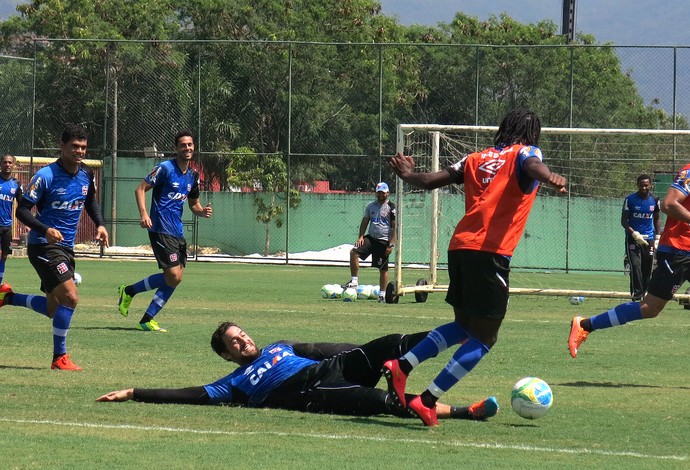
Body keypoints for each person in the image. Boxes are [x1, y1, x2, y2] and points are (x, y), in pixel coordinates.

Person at [383, 108, 567, 426]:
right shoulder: (526, 152)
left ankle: (403, 365)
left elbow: (429, 181)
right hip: (489, 253)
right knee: (485, 338)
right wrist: (549, 176)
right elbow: (533, 165)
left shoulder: (474, 158)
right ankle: (427, 400)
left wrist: (408, 175)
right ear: (531, 133)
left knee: (465, 327)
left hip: (460, 248)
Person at [97, 322, 499, 421]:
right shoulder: (232, 384)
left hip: (333, 367)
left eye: (241, 335)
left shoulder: (277, 346)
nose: (242, 342)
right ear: (226, 356)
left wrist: (362, 355)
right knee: (383, 402)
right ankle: (467, 411)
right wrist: (135, 392)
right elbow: (188, 394)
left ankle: (456, 337)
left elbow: (321, 349)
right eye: (233, 344)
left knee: (390, 342)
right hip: (316, 392)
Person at [0, 125, 109, 370]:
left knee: (53, 309)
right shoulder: (46, 176)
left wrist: (100, 225)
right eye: (74, 147)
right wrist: (45, 230)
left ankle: (8, 297)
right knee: (71, 297)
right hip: (43, 247)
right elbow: (24, 210)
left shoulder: (85, 175)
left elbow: (90, 201)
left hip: (65, 248)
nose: (79, 151)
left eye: (83, 147)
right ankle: (59, 357)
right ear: (62, 147)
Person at [569, 163, 690, 358]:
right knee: (649, 308)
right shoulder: (689, 172)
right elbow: (669, 204)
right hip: (679, 251)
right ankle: (585, 325)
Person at [117, 130, 212, 332]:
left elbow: (194, 204)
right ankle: (130, 293)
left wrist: (202, 211)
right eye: (183, 145)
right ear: (176, 148)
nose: (187, 148)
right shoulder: (165, 169)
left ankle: (144, 314)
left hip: (177, 231)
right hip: (160, 228)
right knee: (174, 277)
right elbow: (140, 188)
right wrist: (144, 214)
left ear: (194, 147)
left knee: (175, 278)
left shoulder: (193, 175)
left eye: (190, 145)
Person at [345, 182, 395, 303]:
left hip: (383, 241)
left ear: (387, 193)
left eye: (383, 193)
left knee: (383, 269)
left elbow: (394, 228)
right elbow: (365, 222)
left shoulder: (392, 207)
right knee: (353, 252)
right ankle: (354, 281)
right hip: (371, 238)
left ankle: (382, 295)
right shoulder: (370, 206)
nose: (381, 195)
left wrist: (391, 244)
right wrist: (361, 237)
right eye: (379, 192)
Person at [621, 174, 660, 301]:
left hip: (649, 238)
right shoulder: (630, 199)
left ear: (650, 185)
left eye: (646, 185)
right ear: (637, 185)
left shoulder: (655, 199)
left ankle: (645, 294)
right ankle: (637, 295)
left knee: (648, 266)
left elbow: (657, 219)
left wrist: (657, 237)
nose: (644, 188)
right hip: (633, 238)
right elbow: (624, 221)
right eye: (641, 185)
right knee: (636, 265)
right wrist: (634, 234)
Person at [0, 154, 23, 284]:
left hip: (7, 226)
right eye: (5, 162)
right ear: (1, 164)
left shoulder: (16, 184)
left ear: (13, 165)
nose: (7, 165)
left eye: (10, 163)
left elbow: (22, 205)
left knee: (4, 256)